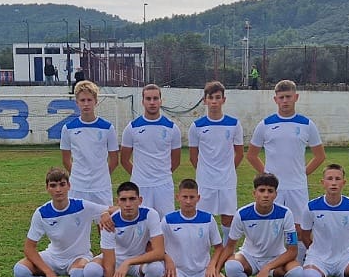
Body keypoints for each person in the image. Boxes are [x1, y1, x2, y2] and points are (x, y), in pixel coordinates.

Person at [12, 167, 110, 277]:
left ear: (69, 186)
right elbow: (29, 248)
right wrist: (48, 273)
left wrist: (105, 213)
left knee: (78, 276)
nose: (58, 189)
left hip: (79, 257)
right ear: (47, 188)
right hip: (53, 257)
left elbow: (112, 209)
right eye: (53, 185)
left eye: (62, 184)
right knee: (20, 270)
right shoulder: (41, 213)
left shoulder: (82, 205)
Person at [245, 79, 326, 256]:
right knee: (271, 226)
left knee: (299, 229)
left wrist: (302, 174)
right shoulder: (265, 124)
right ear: (275, 100)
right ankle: (269, 262)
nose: (285, 101)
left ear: (296, 97)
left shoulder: (306, 124)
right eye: (281, 97)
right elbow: (251, 155)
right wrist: (266, 176)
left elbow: (320, 156)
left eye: (288, 96)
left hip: (297, 187)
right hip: (273, 188)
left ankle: (299, 264)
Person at [213, 173, 304, 277]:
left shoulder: (285, 213)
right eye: (262, 190)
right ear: (254, 193)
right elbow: (230, 246)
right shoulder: (242, 214)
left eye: (270, 191)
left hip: (276, 258)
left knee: (297, 272)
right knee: (231, 267)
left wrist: (267, 268)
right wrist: (217, 270)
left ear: (275, 194)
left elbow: (292, 251)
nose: (266, 195)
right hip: (250, 257)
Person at [84, 181, 166, 277]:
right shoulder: (109, 222)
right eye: (123, 199)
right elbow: (109, 265)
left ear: (140, 200)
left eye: (132, 199)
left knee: (157, 269)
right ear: (118, 202)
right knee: (91, 272)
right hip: (115, 260)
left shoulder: (150, 215)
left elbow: (159, 252)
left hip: (138, 260)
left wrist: (129, 262)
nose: (128, 204)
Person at [159, 179, 230, 277]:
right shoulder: (168, 220)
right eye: (184, 197)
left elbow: (219, 247)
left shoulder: (208, 219)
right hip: (178, 270)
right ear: (178, 197)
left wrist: (212, 267)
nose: (188, 201)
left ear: (198, 198)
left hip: (202, 269)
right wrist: (167, 259)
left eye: (192, 197)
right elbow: (156, 246)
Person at [187, 81, 244, 227]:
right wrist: (204, 171)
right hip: (205, 181)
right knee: (205, 219)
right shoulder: (196, 126)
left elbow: (239, 153)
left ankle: (226, 249)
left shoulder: (234, 124)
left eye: (217, 97)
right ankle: (204, 249)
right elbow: (193, 156)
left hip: (227, 180)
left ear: (223, 100)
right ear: (205, 100)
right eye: (210, 98)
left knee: (228, 219)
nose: (214, 101)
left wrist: (228, 169)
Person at [120, 83, 182, 218]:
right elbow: (124, 160)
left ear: (161, 100)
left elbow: (176, 160)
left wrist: (162, 174)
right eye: (148, 99)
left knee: (166, 223)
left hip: (164, 185)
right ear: (143, 101)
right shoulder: (131, 128)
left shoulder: (172, 128)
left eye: (155, 98)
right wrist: (139, 175)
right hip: (140, 185)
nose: (152, 102)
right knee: (142, 224)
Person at [60, 80, 119, 206]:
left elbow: (114, 159)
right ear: (77, 102)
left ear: (96, 102)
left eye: (89, 100)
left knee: (104, 223)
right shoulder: (68, 128)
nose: (86, 104)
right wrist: (78, 174)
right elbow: (65, 159)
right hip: (78, 186)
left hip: (101, 187)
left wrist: (101, 176)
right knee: (77, 224)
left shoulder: (108, 128)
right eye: (82, 100)